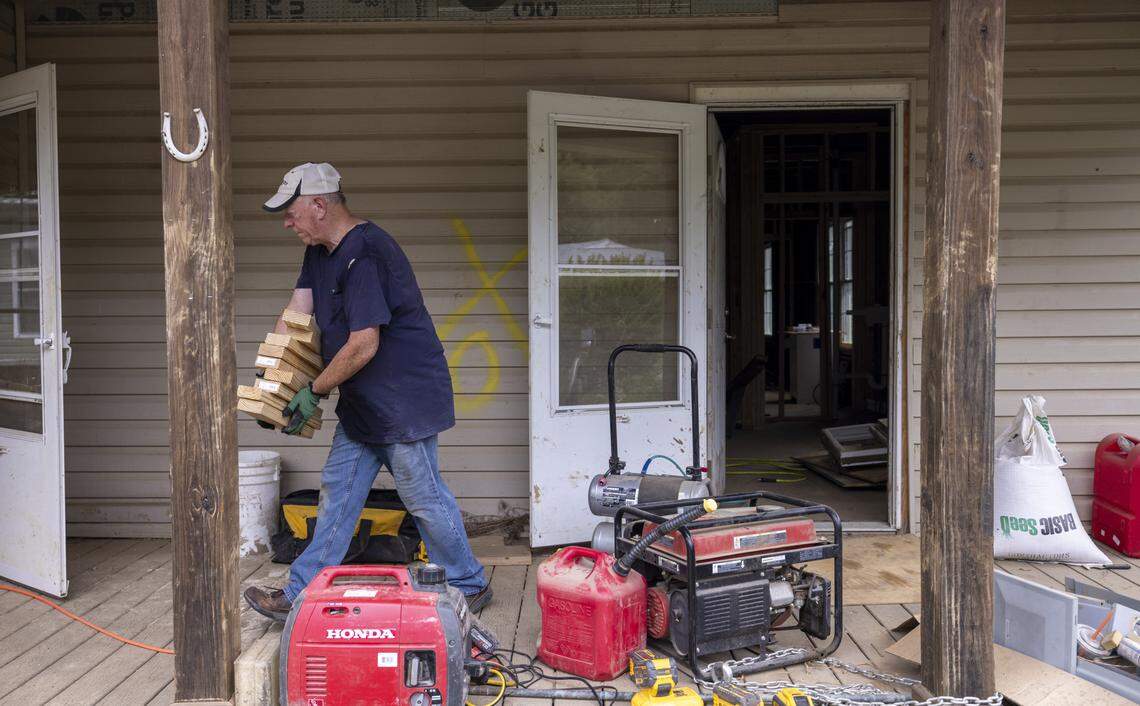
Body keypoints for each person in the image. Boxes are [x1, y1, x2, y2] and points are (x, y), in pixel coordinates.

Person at [243, 162, 490, 621]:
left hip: (404, 402)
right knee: (337, 494)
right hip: (362, 401)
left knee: (425, 498)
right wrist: (272, 384)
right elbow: (296, 314)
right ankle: (301, 590)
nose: (286, 221)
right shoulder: (320, 251)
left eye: (291, 211)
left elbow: (364, 344)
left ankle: (469, 583)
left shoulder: (366, 254)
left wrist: (312, 391)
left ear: (319, 205)